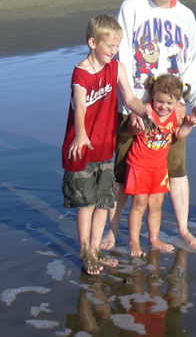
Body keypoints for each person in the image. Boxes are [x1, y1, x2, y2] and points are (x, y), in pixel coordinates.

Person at [100, 0, 196, 251]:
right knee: (122, 171)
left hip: (171, 110)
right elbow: (121, 61)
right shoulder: (133, 6)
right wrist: (133, 106)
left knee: (175, 170)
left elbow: (192, 65)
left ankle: (183, 230)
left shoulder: (185, 16)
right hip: (134, 108)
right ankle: (111, 230)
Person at [61, 14, 155, 275]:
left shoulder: (117, 68)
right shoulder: (80, 73)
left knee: (103, 202)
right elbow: (79, 106)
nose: (113, 52)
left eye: (117, 47)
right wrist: (81, 134)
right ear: (93, 42)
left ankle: (96, 247)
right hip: (81, 148)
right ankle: (85, 252)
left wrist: (146, 112)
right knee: (86, 203)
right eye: (109, 46)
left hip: (105, 145)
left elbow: (130, 97)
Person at [126, 74, 196, 257]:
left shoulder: (175, 114)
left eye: (169, 103)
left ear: (177, 102)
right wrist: (136, 124)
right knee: (139, 204)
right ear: (153, 95)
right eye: (160, 101)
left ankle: (154, 238)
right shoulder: (146, 110)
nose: (164, 107)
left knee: (156, 204)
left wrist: (188, 125)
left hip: (159, 168)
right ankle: (134, 242)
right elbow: (132, 130)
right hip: (139, 166)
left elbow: (178, 135)